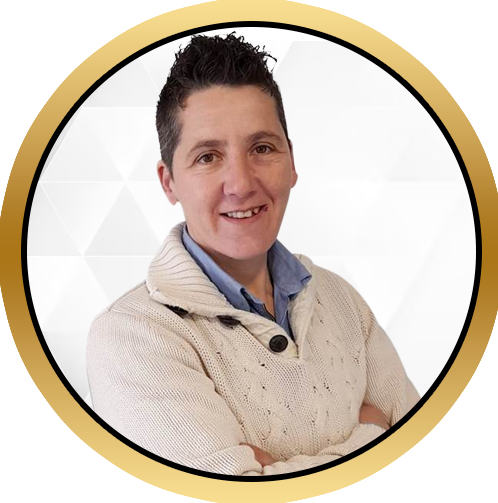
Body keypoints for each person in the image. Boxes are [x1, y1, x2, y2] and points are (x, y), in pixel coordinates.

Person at [86, 32, 420, 476]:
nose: (241, 184)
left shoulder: (341, 301)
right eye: (208, 157)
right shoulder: (131, 337)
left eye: (262, 148)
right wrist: (373, 433)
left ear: (291, 162)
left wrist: (274, 471)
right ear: (169, 182)